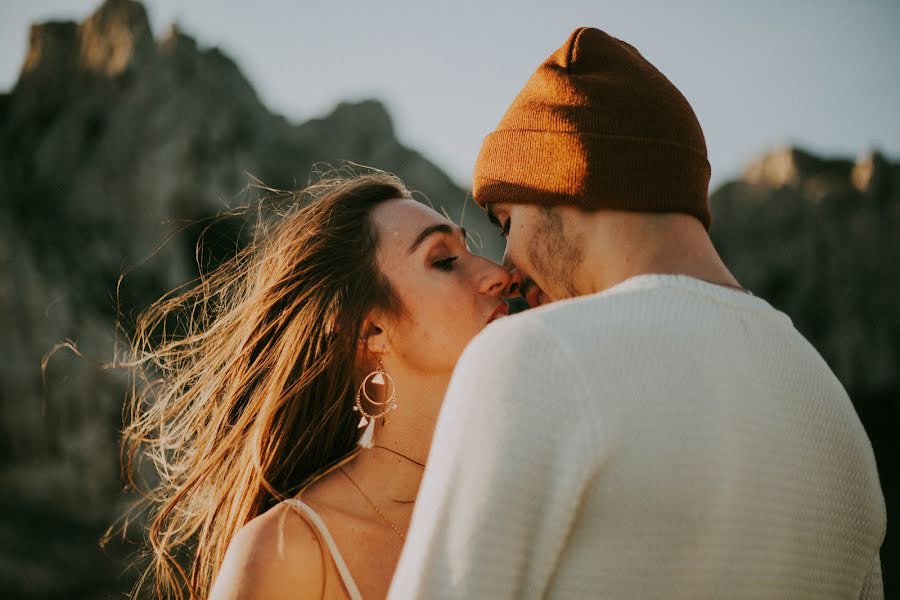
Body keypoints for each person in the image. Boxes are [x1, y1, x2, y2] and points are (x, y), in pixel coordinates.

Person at [388, 27, 886, 599]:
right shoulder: (833, 410)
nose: (508, 268)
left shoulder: (534, 358)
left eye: (506, 223)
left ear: (568, 175)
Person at [120, 172, 511, 600]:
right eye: (444, 260)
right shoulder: (292, 552)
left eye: (470, 247)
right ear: (371, 331)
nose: (497, 273)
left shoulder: (521, 499)